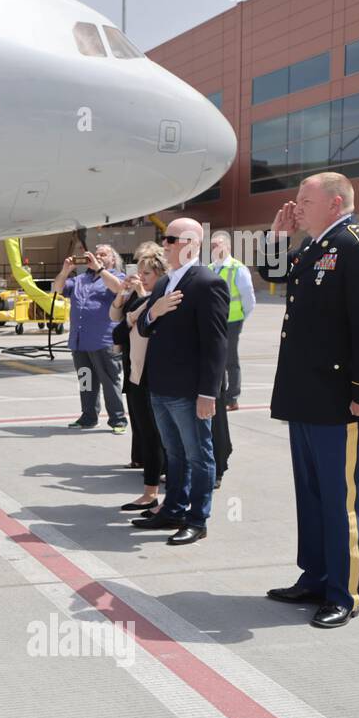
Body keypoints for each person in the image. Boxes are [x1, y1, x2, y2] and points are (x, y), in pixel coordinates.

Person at [260, 172, 359, 628]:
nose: (296, 206)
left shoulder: (358, 245)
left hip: (341, 401)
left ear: (335, 203)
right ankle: (315, 576)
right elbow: (276, 275)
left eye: (305, 200)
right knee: (313, 495)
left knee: (341, 501)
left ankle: (345, 592)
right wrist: (277, 239)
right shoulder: (318, 244)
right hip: (307, 396)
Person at [131, 218, 228, 546]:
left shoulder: (207, 282)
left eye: (169, 239)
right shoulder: (162, 285)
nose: (165, 244)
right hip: (160, 386)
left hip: (189, 390)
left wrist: (207, 392)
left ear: (190, 242)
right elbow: (143, 328)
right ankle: (173, 509)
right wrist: (153, 311)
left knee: (199, 455)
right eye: (164, 238)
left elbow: (216, 344)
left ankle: (197, 519)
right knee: (174, 453)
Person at [110, 243, 167, 513]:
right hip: (136, 373)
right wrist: (127, 298)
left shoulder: (161, 300)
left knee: (156, 436)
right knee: (145, 434)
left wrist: (133, 316)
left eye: (147, 273)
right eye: (140, 272)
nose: (141, 277)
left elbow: (124, 330)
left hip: (154, 376)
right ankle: (149, 492)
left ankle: (155, 493)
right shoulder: (143, 298)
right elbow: (117, 330)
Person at [50, 243, 127, 433]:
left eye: (103, 254)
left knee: (109, 382)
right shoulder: (80, 280)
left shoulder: (117, 276)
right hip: (80, 341)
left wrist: (100, 269)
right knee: (86, 381)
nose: (98, 256)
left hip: (103, 340)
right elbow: (57, 288)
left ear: (113, 260)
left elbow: (118, 289)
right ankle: (88, 416)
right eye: (96, 253)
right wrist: (65, 270)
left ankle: (118, 420)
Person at [208, 231, 255, 411]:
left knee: (230, 360)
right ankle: (219, 395)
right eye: (212, 246)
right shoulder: (211, 268)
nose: (214, 249)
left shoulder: (238, 268)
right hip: (214, 322)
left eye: (218, 245)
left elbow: (248, 299)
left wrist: (241, 317)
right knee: (215, 359)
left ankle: (232, 398)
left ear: (227, 247)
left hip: (232, 321)